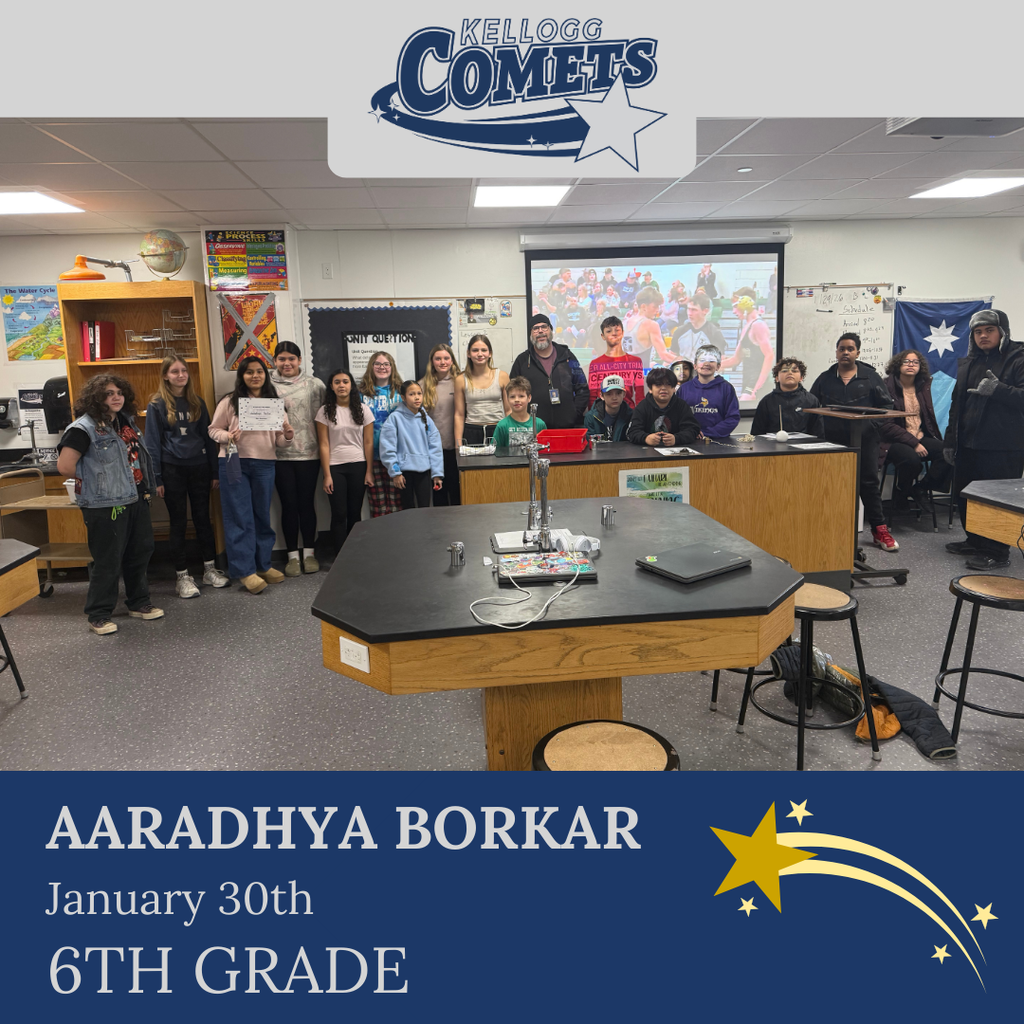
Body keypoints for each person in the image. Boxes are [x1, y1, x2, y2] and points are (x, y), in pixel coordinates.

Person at [56, 374, 163, 635]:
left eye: (118, 392)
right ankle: (99, 614)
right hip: (105, 504)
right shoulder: (83, 429)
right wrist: (102, 481)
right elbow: (65, 467)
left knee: (140, 551)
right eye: (107, 394)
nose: (115, 397)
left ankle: (138, 603)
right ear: (95, 399)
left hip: (135, 497)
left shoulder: (125, 422)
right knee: (108, 559)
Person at [943, 308, 1024, 570]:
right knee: (967, 495)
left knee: (996, 501)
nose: (983, 336)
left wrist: (999, 390)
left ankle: (997, 552)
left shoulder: (1019, 358)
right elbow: (956, 405)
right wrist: (949, 441)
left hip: (1003, 446)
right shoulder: (970, 362)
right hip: (968, 442)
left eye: (989, 330)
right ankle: (975, 540)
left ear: (1003, 331)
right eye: (977, 331)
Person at [144, 355, 228, 598]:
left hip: (200, 467)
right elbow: (152, 444)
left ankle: (210, 569)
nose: (180, 375)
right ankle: (182, 576)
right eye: (174, 371)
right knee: (178, 522)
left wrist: (214, 471)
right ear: (165, 376)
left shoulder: (196, 402)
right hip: (172, 469)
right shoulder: (157, 405)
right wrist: (157, 478)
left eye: (184, 371)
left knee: (203, 518)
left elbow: (209, 439)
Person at [209, 357, 294, 593]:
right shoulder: (229, 401)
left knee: (261, 516)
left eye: (259, 372)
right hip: (234, 462)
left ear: (266, 375)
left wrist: (287, 435)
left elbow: (278, 440)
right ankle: (245, 570)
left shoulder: (274, 403)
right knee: (239, 516)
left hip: (265, 463)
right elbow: (213, 430)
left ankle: (263, 565)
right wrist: (227, 437)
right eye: (249, 372)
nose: (255, 376)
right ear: (242, 376)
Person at [809, 333, 899, 553]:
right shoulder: (825, 378)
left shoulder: (870, 376)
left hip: (866, 440)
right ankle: (831, 530)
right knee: (832, 485)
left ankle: (879, 530)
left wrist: (871, 428)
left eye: (850, 349)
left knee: (868, 483)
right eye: (841, 348)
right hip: (832, 441)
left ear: (857, 352)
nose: (845, 352)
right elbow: (812, 404)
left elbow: (886, 407)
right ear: (836, 352)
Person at [270, 341, 326, 576]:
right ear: (275, 361)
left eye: (291, 359)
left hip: (310, 454)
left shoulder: (315, 384)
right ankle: (292, 556)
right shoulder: (267, 384)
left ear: (300, 360)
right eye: (282, 359)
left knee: (306, 504)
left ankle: (309, 554)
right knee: (288, 505)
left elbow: (327, 415)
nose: (287, 363)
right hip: (279, 455)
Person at [878, 350, 950, 514]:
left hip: (918, 436)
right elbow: (886, 425)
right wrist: (914, 443)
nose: (911, 364)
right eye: (906, 361)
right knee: (911, 461)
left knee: (948, 453)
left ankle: (920, 489)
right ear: (898, 365)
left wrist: (921, 440)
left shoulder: (922, 386)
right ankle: (901, 493)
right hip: (892, 440)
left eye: (915, 362)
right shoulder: (885, 386)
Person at [316, 369, 374, 553]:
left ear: (351, 385)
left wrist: (369, 471)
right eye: (337, 382)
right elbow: (324, 444)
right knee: (339, 513)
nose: (341, 385)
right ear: (331, 387)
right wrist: (326, 475)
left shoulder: (363, 410)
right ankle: (340, 555)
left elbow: (368, 442)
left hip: (358, 465)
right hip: (335, 467)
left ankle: (355, 553)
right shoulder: (324, 412)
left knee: (355, 512)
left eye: (345, 381)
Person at [510, 314, 589, 429]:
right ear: (531, 333)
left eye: (544, 327)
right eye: (536, 328)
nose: (540, 331)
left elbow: (582, 388)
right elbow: (513, 394)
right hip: (533, 429)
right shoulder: (522, 361)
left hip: (567, 427)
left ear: (551, 331)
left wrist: (574, 414)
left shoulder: (567, 356)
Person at [379, 380, 444, 510]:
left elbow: (435, 447)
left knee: (425, 509)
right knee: (408, 510)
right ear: (403, 397)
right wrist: (395, 472)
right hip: (404, 474)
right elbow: (387, 447)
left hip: (424, 472)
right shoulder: (395, 418)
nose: (416, 397)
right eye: (412, 394)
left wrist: (437, 474)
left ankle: (425, 531)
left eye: (419, 393)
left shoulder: (426, 418)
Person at [359, 350, 402, 517]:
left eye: (386, 364)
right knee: (377, 503)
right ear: (371, 367)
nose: (382, 367)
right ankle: (380, 540)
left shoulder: (401, 391)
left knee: (396, 501)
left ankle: (398, 539)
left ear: (392, 367)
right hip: (371, 455)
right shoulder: (361, 393)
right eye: (377, 364)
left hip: (396, 455)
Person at [419, 343, 462, 506]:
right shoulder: (422, 385)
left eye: (446, 358)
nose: (442, 362)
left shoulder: (460, 381)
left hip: (457, 448)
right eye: (438, 358)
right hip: (435, 450)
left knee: (458, 494)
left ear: (452, 360)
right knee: (439, 495)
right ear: (432, 361)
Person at [455, 334, 509, 446]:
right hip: (471, 432)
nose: (480, 354)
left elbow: (509, 411)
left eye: (484, 350)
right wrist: (458, 444)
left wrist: (511, 436)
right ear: (468, 353)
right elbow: (459, 414)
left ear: (490, 354)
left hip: (497, 430)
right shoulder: (460, 379)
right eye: (475, 350)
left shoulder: (502, 376)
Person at [721, 289, 773, 402]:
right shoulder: (747, 326)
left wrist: (756, 388)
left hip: (757, 382)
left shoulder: (758, 325)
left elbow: (769, 356)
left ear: (746, 304)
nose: (734, 311)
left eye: (735, 306)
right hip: (748, 380)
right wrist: (712, 366)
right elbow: (736, 359)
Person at [626, 367, 700, 447]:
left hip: (676, 452)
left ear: (674, 388)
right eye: (658, 385)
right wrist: (646, 438)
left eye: (668, 384)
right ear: (650, 389)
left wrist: (676, 438)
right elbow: (632, 432)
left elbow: (692, 429)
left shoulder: (682, 405)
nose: (663, 388)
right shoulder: (642, 406)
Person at [679, 344, 741, 438]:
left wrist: (707, 433)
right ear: (695, 366)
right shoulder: (684, 389)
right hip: (689, 439)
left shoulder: (726, 388)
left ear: (718, 366)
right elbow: (677, 416)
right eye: (702, 360)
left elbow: (732, 418)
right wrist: (689, 433)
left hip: (718, 442)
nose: (706, 364)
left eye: (711, 361)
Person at [750, 358, 820, 435]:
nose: (790, 373)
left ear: (801, 378)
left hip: (803, 444)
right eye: (784, 371)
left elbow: (817, 431)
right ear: (777, 378)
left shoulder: (811, 400)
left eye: (794, 371)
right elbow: (757, 432)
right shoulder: (767, 401)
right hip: (772, 445)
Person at [586, 315, 644, 408]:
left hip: (628, 414)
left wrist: (639, 418)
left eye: (617, 330)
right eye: (609, 331)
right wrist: (594, 418)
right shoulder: (595, 364)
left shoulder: (636, 362)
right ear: (603, 336)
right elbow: (592, 396)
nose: (614, 333)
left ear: (623, 333)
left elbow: (640, 395)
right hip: (602, 416)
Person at [670, 292, 726, 364]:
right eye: (688, 309)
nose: (689, 313)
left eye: (694, 310)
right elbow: (672, 355)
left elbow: (721, 361)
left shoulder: (714, 333)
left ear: (705, 311)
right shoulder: (679, 331)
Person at [625, 287, 674, 368]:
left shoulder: (624, 323)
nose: (657, 310)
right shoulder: (651, 325)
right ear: (643, 306)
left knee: (653, 364)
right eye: (655, 307)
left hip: (624, 374)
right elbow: (664, 355)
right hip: (642, 376)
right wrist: (686, 362)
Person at [492, 377, 547, 446]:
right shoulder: (502, 425)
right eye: (512, 397)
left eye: (521, 396)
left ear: (529, 398)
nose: (516, 400)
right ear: (507, 399)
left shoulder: (539, 424)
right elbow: (495, 452)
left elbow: (546, 450)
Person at [584, 374, 632, 441]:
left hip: (623, 451)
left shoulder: (631, 416)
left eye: (618, 393)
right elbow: (590, 444)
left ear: (624, 394)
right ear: (601, 396)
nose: (614, 398)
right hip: (600, 451)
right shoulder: (591, 417)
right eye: (609, 394)